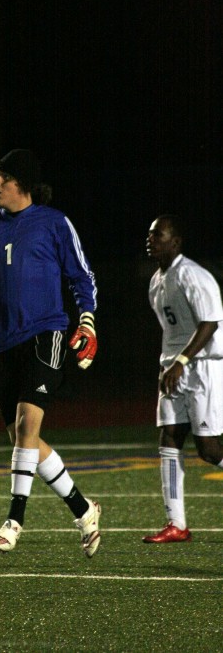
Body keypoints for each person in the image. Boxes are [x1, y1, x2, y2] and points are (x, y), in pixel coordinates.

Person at [0, 149, 101, 557]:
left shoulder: (54, 222)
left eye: (3, 177)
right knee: (22, 439)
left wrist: (86, 321)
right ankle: (83, 509)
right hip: (2, 341)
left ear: (22, 184)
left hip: (47, 332)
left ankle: (14, 520)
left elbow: (82, 276)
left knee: (26, 427)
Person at [144, 214, 223, 543]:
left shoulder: (193, 275)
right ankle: (176, 524)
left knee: (208, 449)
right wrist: (169, 364)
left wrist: (180, 361)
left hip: (202, 367)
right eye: (149, 235)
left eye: (157, 235)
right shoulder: (155, 282)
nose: (150, 239)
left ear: (175, 242)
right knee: (169, 440)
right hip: (174, 368)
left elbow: (210, 323)